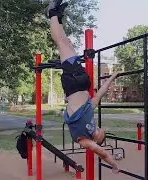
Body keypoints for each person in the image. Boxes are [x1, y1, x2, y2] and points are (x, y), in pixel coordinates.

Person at [46, 0, 122, 174]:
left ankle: (52, 13)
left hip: (73, 82)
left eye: (102, 134)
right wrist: (112, 77)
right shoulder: (89, 119)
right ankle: (57, 16)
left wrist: (114, 164)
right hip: (80, 81)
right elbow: (99, 95)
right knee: (68, 44)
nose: (101, 131)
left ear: (96, 138)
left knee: (61, 43)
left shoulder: (83, 139)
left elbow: (100, 151)